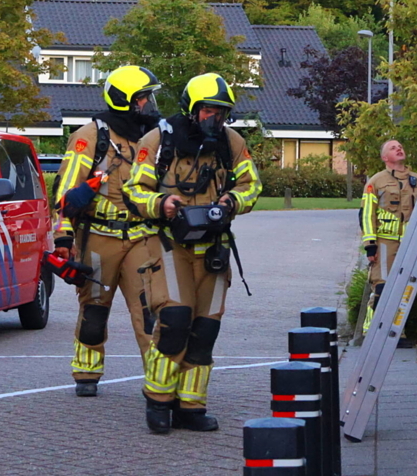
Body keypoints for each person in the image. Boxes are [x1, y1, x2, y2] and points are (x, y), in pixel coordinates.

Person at [123, 73, 262, 434]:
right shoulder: (157, 140)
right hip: (170, 245)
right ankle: (158, 400)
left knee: (205, 330)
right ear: (192, 109)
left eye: (221, 113)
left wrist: (232, 201)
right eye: (208, 112)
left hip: (214, 247)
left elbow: (252, 184)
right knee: (175, 322)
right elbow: (133, 190)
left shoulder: (231, 143)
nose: (215, 120)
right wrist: (161, 203)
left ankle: (191, 405)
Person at [51, 65, 163, 397]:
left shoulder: (154, 137)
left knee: (149, 312)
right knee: (95, 309)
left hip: (142, 237)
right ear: (124, 101)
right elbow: (65, 195)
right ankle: (86, 372)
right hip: (99, 237)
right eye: (144, 98)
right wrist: (63, 239)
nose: (150, 104)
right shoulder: (90, 137)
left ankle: (159, 382)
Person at [360, 139, 417, 337]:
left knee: (405, 289)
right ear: (385, 157)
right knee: (382, 287)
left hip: (411, 244)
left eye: (400, 146)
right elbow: (367, 215)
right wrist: (370, 246)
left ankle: (396, 333)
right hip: (385, 243)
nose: (399, 149)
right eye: (393, 148)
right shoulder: (375, 182)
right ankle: (372, 331)